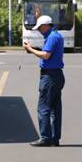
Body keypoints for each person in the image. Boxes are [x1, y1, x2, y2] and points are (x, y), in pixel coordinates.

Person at [23, 15, 65, 147]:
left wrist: (30, 49)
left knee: (44, 107)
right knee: (55, 108)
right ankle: (54, 138)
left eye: (40, 28)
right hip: (57, 75)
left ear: (46, 25)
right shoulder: (56, 36)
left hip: (49, 77)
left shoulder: (52, 37)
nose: (40, 30)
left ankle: (46, 137)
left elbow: (46, 55)